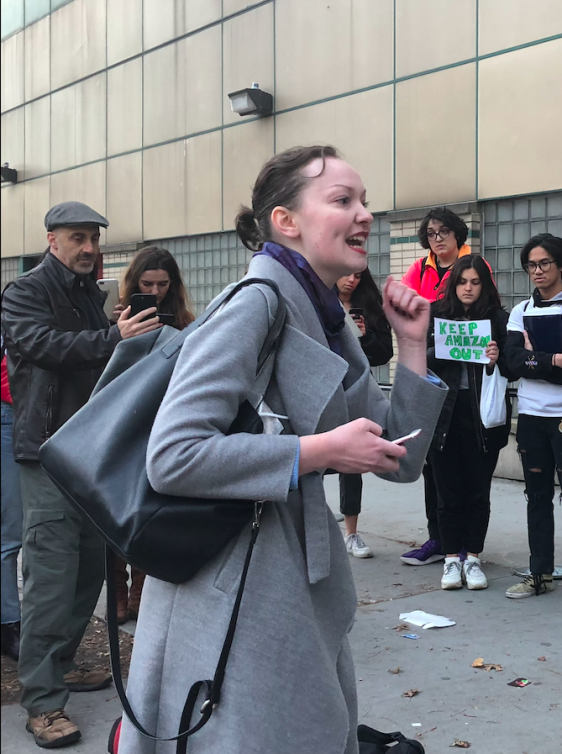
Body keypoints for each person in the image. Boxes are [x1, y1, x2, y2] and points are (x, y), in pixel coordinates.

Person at [118, 146, 445, 754]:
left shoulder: (326, 316)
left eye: (365, 200)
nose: (365, 214)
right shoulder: (254, 304)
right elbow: (173, 455)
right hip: (229, 587)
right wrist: (318, 451)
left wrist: (412, 346)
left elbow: (399, 458)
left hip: (285, 573)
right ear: (285, 221)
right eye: (342, 200)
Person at [1, 201, 163, 749]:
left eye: (93, 238)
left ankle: (61, 665)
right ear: (51, 240)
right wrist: (115, 336)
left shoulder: (93, 298)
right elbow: (42, 347)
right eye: (77, 238)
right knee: (49, 579)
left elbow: (106, 364)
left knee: (88, 573)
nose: (89, 248)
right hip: (46, 453)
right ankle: (43, 703)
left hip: (94, 452)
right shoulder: (23, 293)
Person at [503, 234, 562, 608]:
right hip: (530, 414)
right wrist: (554, 359)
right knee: (536, 496)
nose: (537, 271)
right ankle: (539, 572)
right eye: (531, 265)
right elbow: (511, 363)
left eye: (544, 263)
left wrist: (538, 359)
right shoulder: (520, 310)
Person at [109, 247, 197, 623]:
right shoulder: (117, 317)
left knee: (150, 510)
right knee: (113, 508)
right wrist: (116, 332)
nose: (157, 291)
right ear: (135, 284)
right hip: (119, 420)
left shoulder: (185, 318)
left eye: (163, 284)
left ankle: (141, 587)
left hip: (162, 421)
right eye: (148, 284)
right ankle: (115, 588)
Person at [426, 255, 512, 591]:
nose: (468, 288)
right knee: (446, 492)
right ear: (453, 283)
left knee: (477, 491)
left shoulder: (498, 319)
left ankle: (473, 558)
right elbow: (417, 357)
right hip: (443, 413)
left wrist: (497, 357)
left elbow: (514, 363)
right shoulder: (436, 314)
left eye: (475, 282)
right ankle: (450, 560)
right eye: (463, 281)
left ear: (485, 286)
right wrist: (442, 351)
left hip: (482, 417)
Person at [399, 208, 475, 567]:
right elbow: (407, 309)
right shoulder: (419, 269)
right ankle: (437, 538)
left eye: (445, 231)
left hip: (465, 383)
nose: (438, 238)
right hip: (430, 376)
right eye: (431, 233)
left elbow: (474, 317)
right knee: (432, 464)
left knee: (461, 466)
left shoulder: (474, 265)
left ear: (457, 233)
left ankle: (463, 542)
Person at [336, 267, 393, 558]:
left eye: (358, 275)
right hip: (321, 385)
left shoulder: (370, 306)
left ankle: (351, 532)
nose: (351, 280)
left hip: (356, 388)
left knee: (352, 463)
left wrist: (364, 336)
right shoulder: (318, 301)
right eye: (346, 274)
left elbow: (384, 353)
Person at [1, 333, 21, 661]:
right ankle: (8, 624)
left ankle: (9, 623)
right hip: (9, 417)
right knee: (10, 532)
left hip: (28, 417)